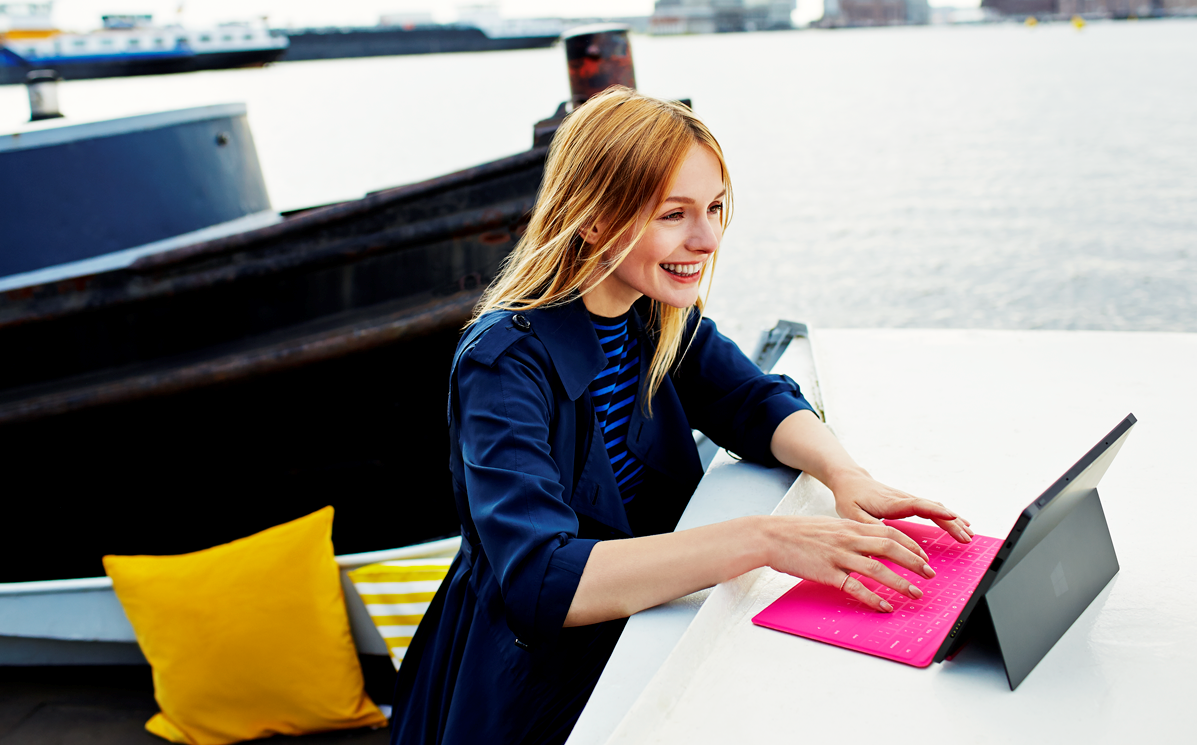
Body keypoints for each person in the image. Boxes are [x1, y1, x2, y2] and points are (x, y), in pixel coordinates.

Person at [393, 87, 971, 744]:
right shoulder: (503, 361)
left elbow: (750, 399)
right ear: (594, 219)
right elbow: (541, 578)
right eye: (675, 214)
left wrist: (846, 475)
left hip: (645, 625)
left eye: (716, 208)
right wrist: (768, 541)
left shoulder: (655, 309)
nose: (708, 238)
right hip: (534, 683)